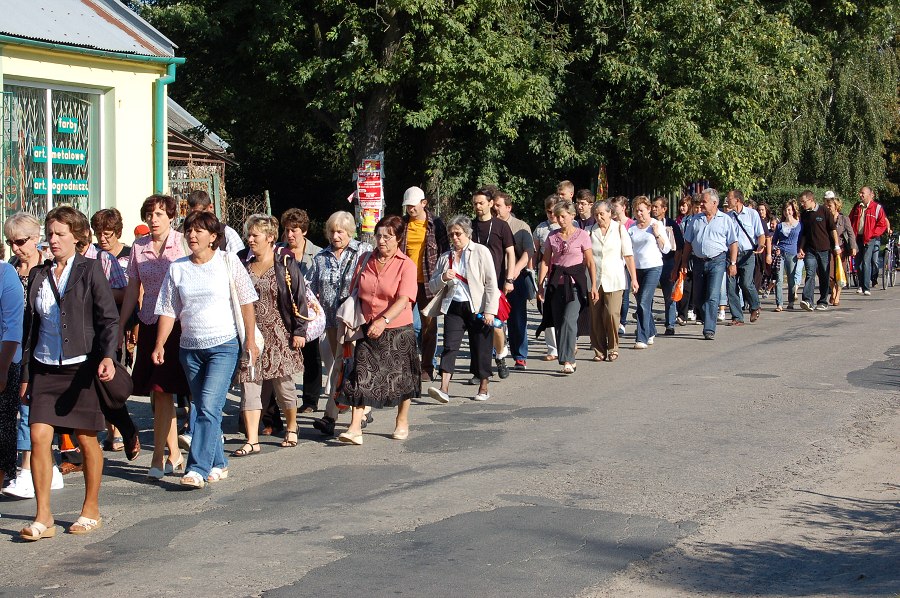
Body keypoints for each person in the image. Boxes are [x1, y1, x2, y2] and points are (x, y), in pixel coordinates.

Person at [19, 206, 120, 540]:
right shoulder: (38, 274)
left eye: (60, 234)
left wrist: (107, 356)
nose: (53, 240)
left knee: (86, 439)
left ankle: (90, 509)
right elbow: (30, 326)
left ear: (77, 237)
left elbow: (109, 318)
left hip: (82, 368)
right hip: (45, 368)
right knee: (38, 437)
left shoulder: (91, 270)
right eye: (50, 234)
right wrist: (25, 375)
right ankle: (43, 516)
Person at [153, 211, 259, 487]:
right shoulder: (177, 268)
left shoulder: (227, 262)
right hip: (190, 347)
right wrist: (160, 344)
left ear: (213, 237)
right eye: (189, 230)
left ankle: (197, 468)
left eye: (199, 231)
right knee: (201, 407)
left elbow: (247, 302)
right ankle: (219, 463)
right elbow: (167, 309)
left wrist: (249, 341)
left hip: (223, 345)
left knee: (209, 407)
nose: (192, 235)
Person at [119, 195, 190, 479]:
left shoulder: (184, 241)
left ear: (170, 216)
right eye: (149, 214)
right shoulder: (139, 246)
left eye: (159, 213)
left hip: (179, 324)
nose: (154, 218)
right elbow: (132, 290)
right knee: (159, 393)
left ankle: (161, 457)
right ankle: (170, 455)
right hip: (149, 321)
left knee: (166, 391)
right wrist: (122, 323)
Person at [337, 215, 420, 445]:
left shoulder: (406, 264)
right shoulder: (365, 259)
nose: (381, 240)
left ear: (399, 238)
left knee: (402, 379)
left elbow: (404, 298)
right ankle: (354, 428)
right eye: (379, 235)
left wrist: (383, 320)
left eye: (388, 236)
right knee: (360, 375)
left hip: (397, 329)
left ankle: (402, 420)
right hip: (367, 326)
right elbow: (355, 289)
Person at [1, 213, 64, 499]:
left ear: (36, 238)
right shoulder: (12, 268)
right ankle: (50, 469)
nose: (15, 248)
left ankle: (27, 471)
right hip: (15, 346)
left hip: (41, 345)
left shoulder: (49, 267)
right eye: (10, 242)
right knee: (24, 407)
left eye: (20, 241)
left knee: (29, 407)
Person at [233, 215, 307, 456]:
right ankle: (252, 439)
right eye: (249, 234)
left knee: (284, 385)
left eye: (255, 235)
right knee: (249, 384)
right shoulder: (241, 261)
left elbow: (299, 296)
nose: (250, 239)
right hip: (250, 332)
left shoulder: (285, 262)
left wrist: (299, 331)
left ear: (270, 237)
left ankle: (292, 426)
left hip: (278, 331)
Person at [306, 211, 372, 436]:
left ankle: (330, 416)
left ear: (350, 232)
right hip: (329, 321)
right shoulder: (321, 257)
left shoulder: (362, 252)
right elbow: (309, 287)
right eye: (332, 231)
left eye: (340, 231)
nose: (335, 236)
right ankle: (363, 408)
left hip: (353, 320)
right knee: (341, 366)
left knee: (343, 366)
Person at [423, 215, 499, 403]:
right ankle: (444, 388)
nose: (454, 238)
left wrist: (490, 310)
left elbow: (491, 282)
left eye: (458, 234)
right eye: (451, 234)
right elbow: (432, 286)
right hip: (453, 306)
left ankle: (484, 386)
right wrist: (443, 278)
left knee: (481, 346)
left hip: (477, 306)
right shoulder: (445, 257)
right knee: (449, 347)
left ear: (467, 233)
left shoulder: (480, 252)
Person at [537, 201, 598, 373]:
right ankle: (567, 357)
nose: (560, 220)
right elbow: (545, 261)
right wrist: (541, 285)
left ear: (572, 216)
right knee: (558, 322)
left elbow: (590, 262)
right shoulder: (552, 237)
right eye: (558, 216)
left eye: (563, 216)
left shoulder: (582, 235)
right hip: (556, 284)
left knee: (568, 320)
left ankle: (568, 360)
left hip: (575, 284)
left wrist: (593, 285)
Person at [397, 186, 449, 382]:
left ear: (424, 203)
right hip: (406, 282)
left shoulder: (436, 224)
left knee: (429, 326)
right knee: (403, 325)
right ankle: (405, 365)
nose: (410, 209)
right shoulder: (402, 224)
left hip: (429, 281)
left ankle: (427, 367)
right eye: (407, 206)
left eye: (413, 206)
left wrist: (444, 279)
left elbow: (445, 252)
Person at [680, 189, 739, 340]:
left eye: (704, 202)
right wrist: (684, 262)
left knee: (713, 296)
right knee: (698, 298)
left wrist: (732, 263)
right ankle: (708, 318)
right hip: (698, 262)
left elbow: (733, 243)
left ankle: (709, 329)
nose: (701, 204)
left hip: (717, 261)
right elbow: (688, 242)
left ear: (714, 203)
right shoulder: (695, 219)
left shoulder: (725, 220)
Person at [280, 208, 322, 413]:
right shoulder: (278, 251)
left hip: (309, 310)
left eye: (294, 230)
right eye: (287, 230)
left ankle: (311, 400)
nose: (290, 235)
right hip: (284, 310)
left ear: (304, 231)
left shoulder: (317, 254)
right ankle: (284, 401)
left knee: (312, 354)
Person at [470, 187, 515, 378]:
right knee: (477, 329)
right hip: (474, 284)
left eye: (481, 203)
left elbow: (510, 253)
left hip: (495, 284)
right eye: (475, 203)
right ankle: (479, 370)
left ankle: (500, 355)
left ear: (490, 204)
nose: (478, 207)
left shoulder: (501, 226)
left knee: (496, 325)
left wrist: (509, 279)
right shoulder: (470, 227)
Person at [586, 201, 637, 362]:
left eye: (602, 213)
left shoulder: (620, 229)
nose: (599, 217)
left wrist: (634, 278)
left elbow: (628, 255)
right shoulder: (589, 231)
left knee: (611, 314)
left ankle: (613, 347)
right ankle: (599, 350)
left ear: (610, 213)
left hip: (614, 278)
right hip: (594, 280)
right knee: (595, 316)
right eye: (596, 214)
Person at [492, 190, 534, 370]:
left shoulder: (520, 226)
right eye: (493, 205)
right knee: (493, 317)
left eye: (498, 205)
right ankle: (496, 351)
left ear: (508, 207)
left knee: (517, 318)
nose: (495, 208)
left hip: (516, 278)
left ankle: (519, 355)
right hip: (494, 277)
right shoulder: (489, 225)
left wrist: (514, 272)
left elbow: (528, 252)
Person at [628, 197, 671, 348]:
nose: (639, 213)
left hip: (653, 267)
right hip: (636, 269)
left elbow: (666, 249)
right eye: (636, 210)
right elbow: (628, 252)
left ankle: (642, 337)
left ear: (648, 209)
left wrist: (657, 234)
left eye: (642, 210)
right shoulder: (632, 229)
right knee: (641, 302)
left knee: (644, 301)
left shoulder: (656, 224)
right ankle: (651, 330)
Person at [0, 242, 24, 506]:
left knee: (3, 426)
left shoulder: (6, 275)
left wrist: (3, 369)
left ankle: (5, 476)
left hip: (5, 360)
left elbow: (12, 327)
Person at [725, 190, 765, 326]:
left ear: (737, 200)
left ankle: (755, 306)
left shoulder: (752, 214)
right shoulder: (727, 217)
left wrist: (761, 245)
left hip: (747, 254)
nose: (727, 200)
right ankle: (737, 317)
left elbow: (760, 234)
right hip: (731, 255)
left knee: (746, 283)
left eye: (729, 198)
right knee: (731, 287)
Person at [797, 190, 840, 310]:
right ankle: (807, 300)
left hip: (824, 249)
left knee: (823, 275)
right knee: (810, 273)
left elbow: (833, 229)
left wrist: (836, 246)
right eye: (801, 202)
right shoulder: (804, 214)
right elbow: (804, 233)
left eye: (803, 202)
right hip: (810, 249)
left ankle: (823, 301)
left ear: (811, 200)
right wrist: (801, 248)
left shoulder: (824, 211)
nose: (802, 204)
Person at [533, 194, 561, 361]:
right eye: (548, 211)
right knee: (547, 310)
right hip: (546, 271)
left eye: (554, 211)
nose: (551, 215)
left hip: (563, 272)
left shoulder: (570, 225)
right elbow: (535, 252)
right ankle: (553, 349)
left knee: (564, 310)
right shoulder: (541, 229)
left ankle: (569, 342)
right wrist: (532, 272)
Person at [651, 196, 684, 335]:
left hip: (668, 261)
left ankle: (670, 324)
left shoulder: (671, 224)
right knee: (648, 295)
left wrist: (676, 266)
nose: (653, 209)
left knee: (668, 294)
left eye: (656, 207)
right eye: (652, 206)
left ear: (664, 209)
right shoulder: (648, 223)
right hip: (651, 262)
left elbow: (679, 246)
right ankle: (647, 324)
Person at [849, 186, 888, 295]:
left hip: (869, 239)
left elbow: (882, 224)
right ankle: (860, 285)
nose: (860, 195)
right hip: (857, 238)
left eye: (863, 193)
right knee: (858, 263)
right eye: (860, 193)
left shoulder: (877, 208)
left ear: (870, 195)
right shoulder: (857, 207)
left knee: (866, 262)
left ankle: (866, 287)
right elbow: (850, 220)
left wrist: (873, 234)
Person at [825, 194, 857, 306]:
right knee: (829, 273)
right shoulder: (825, 218)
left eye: (830, 205)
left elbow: (851, 234)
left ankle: (838, 294)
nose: (828, 207)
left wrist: (853, 247)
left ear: (836, 206)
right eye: (827, 205)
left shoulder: (844, 219)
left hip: (841, 250)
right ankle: (832, 290)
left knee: (839, 272)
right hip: (828, 248)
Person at [610, 196, 635, 335]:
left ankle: (622, 322)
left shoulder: (631, 224)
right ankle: (614, 319)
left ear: (624, 207)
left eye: (616, 206)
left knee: (624, 294)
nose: (614, 209)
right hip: (614, 262)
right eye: (612, 206)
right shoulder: (611, 223)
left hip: (625, 262)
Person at [772, 200, 802, 311]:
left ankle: (790, 301)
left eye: (789, 209)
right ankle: (779, 304)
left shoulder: (799, 225)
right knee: (779, 279)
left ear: (793, 210)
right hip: (781, 253)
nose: (787, 212)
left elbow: (801, 240)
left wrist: (800, 251)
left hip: (792, 253)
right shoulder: (780, 225)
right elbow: (774, 241)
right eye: (785, 210)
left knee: (791, 279)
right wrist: (776, 248)